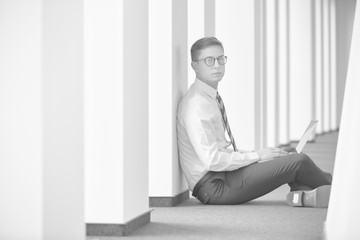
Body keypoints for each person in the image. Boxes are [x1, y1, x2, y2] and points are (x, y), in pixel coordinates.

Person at [176, 37, 332, 207]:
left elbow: (219, 151)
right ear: (195, 66)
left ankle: (303, 194)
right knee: (299, 161)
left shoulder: (209, 97)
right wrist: (257, 156)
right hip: (215, 186)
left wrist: (257, 154)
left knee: (286, 152)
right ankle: (336, 188)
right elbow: (212, 160)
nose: (217, 65)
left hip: (222, 175)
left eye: (221, 59)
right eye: (209, 60)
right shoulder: (196, 106)